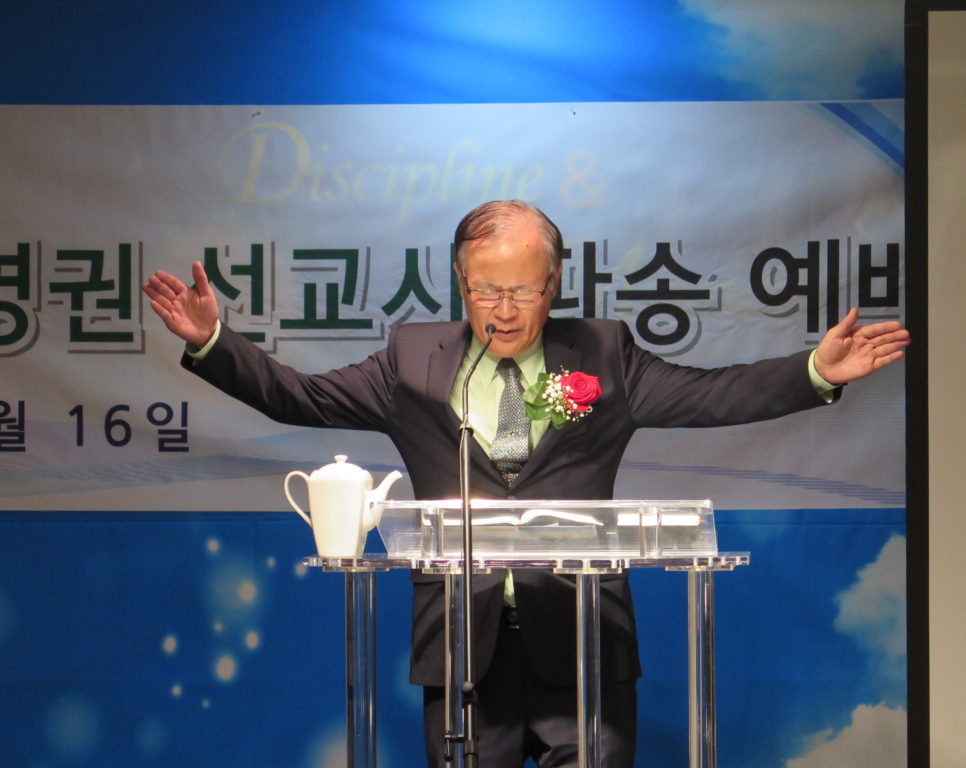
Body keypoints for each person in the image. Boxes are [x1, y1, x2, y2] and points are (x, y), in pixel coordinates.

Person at [144, 200, 909, 768]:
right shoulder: (412, 362)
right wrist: (214, 341)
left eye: (523, 292)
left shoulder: (604, 355)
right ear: (459, 280)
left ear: (554, 283)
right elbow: (300, 398)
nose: (504, 313)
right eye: (485, 291)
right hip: (464, 653)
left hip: (585, 646)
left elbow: (710, 395)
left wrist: (815, 372)